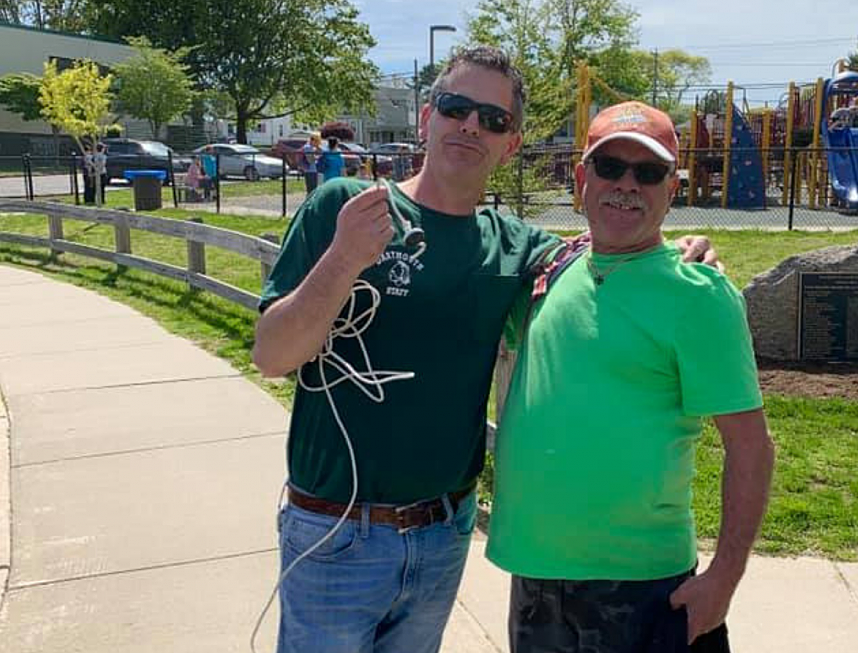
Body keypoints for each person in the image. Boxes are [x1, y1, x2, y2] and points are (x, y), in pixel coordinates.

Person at [252, 46, 718, 653]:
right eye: (456, 107)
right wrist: (343, 260)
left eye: (494, 119)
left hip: (443, 534)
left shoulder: (515, 248)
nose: (471, 125)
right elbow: (271, 355)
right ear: (427, 117)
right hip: (336, 531)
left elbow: (610, 249)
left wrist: (684, 256)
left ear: (511, 143)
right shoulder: (344, 206)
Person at [487, 101, 774, 653]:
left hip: (644, 590)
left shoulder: (699, 295)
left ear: (672, 188)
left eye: (647, 172)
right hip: (534, 575)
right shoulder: (553, 268)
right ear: (581, 178)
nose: (626, 184)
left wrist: (724, 578)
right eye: (609, 167)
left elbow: (751, 448)